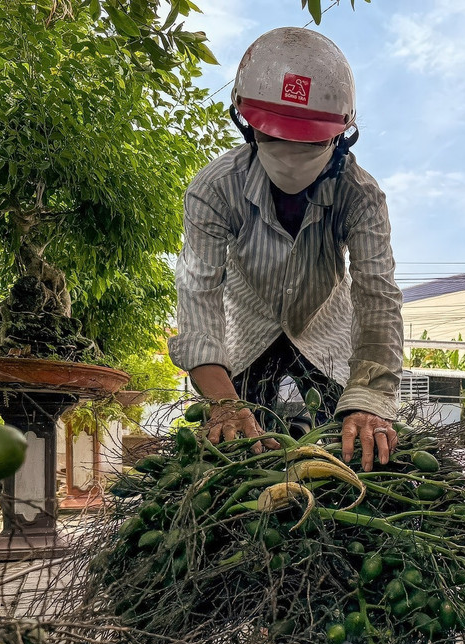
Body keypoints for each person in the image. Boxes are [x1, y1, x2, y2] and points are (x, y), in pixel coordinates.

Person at [169, 27, 403, 471]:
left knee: (354, 454)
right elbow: (198, 291)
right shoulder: (215, 188)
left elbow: (377, 294)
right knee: (230, 456)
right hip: (245, 335)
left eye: (310, 142)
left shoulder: (361, 195)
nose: (291, 154)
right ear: (247, 123)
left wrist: (370, 398)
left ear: (341, 135)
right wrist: (222, 403)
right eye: (275, 137)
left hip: (324, 334)